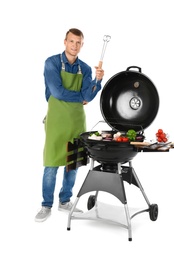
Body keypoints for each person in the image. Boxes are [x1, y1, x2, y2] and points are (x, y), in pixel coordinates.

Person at [35, 28, 104, 222]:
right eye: (71, 41)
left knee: (72, 164)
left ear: (82, 45)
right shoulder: (52, 63)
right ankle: (46, 205)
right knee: (51, 164)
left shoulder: (86, 69)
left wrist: (97, 81)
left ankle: (65, 201)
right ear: (65, 41)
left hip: (76, 122)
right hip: (56, 121)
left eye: (78, 43)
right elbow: (57, 92)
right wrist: (80, 97)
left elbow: (88, 96)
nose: (74, 46)